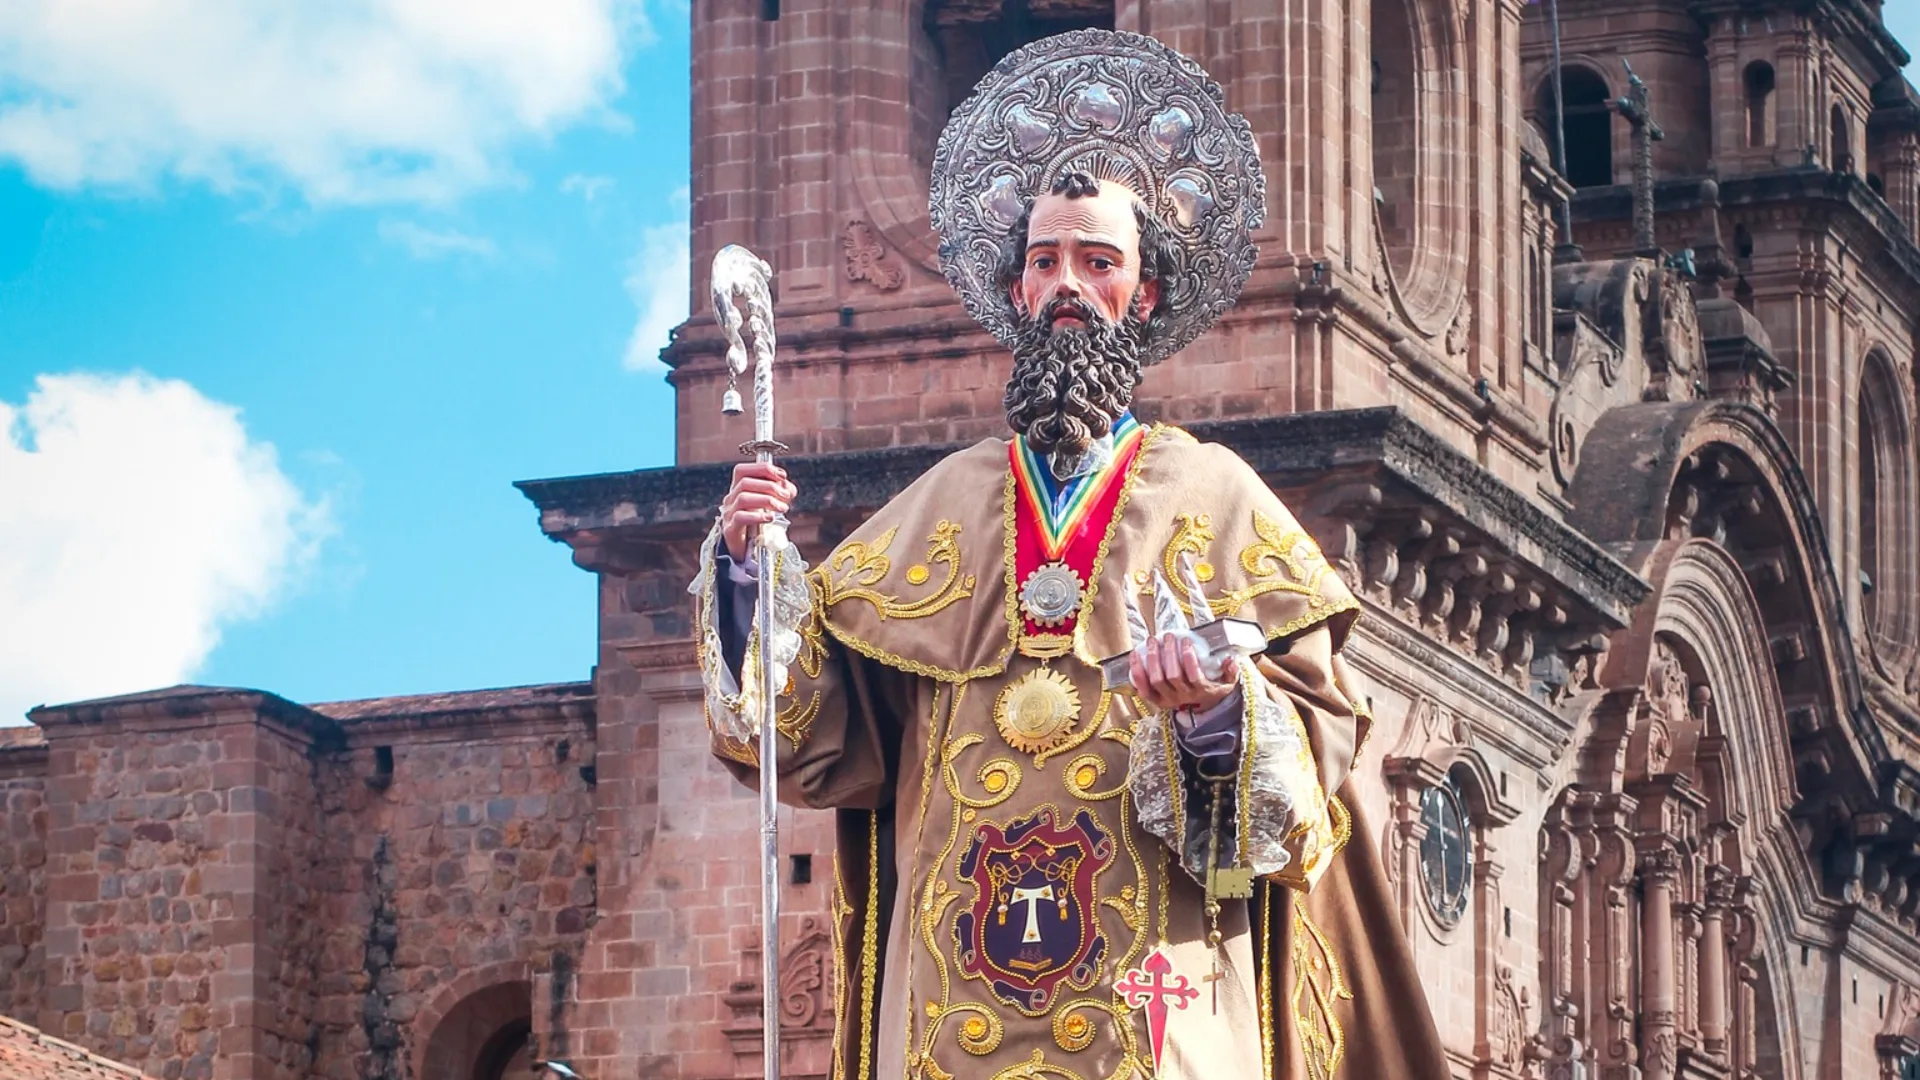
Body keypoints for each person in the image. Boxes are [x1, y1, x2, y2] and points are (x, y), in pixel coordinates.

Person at [690, 29, 1449, 1080]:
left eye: (1097, 264)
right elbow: (813, 741)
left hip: (1156, 1007)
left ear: (1140, 298)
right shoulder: (940, 505)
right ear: (1013, 292)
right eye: (1043, 262)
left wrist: (1219, 718)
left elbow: (1316, 771)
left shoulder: (1220, 499)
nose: (1064, 286)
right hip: (950, 1011)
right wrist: (748, 579)